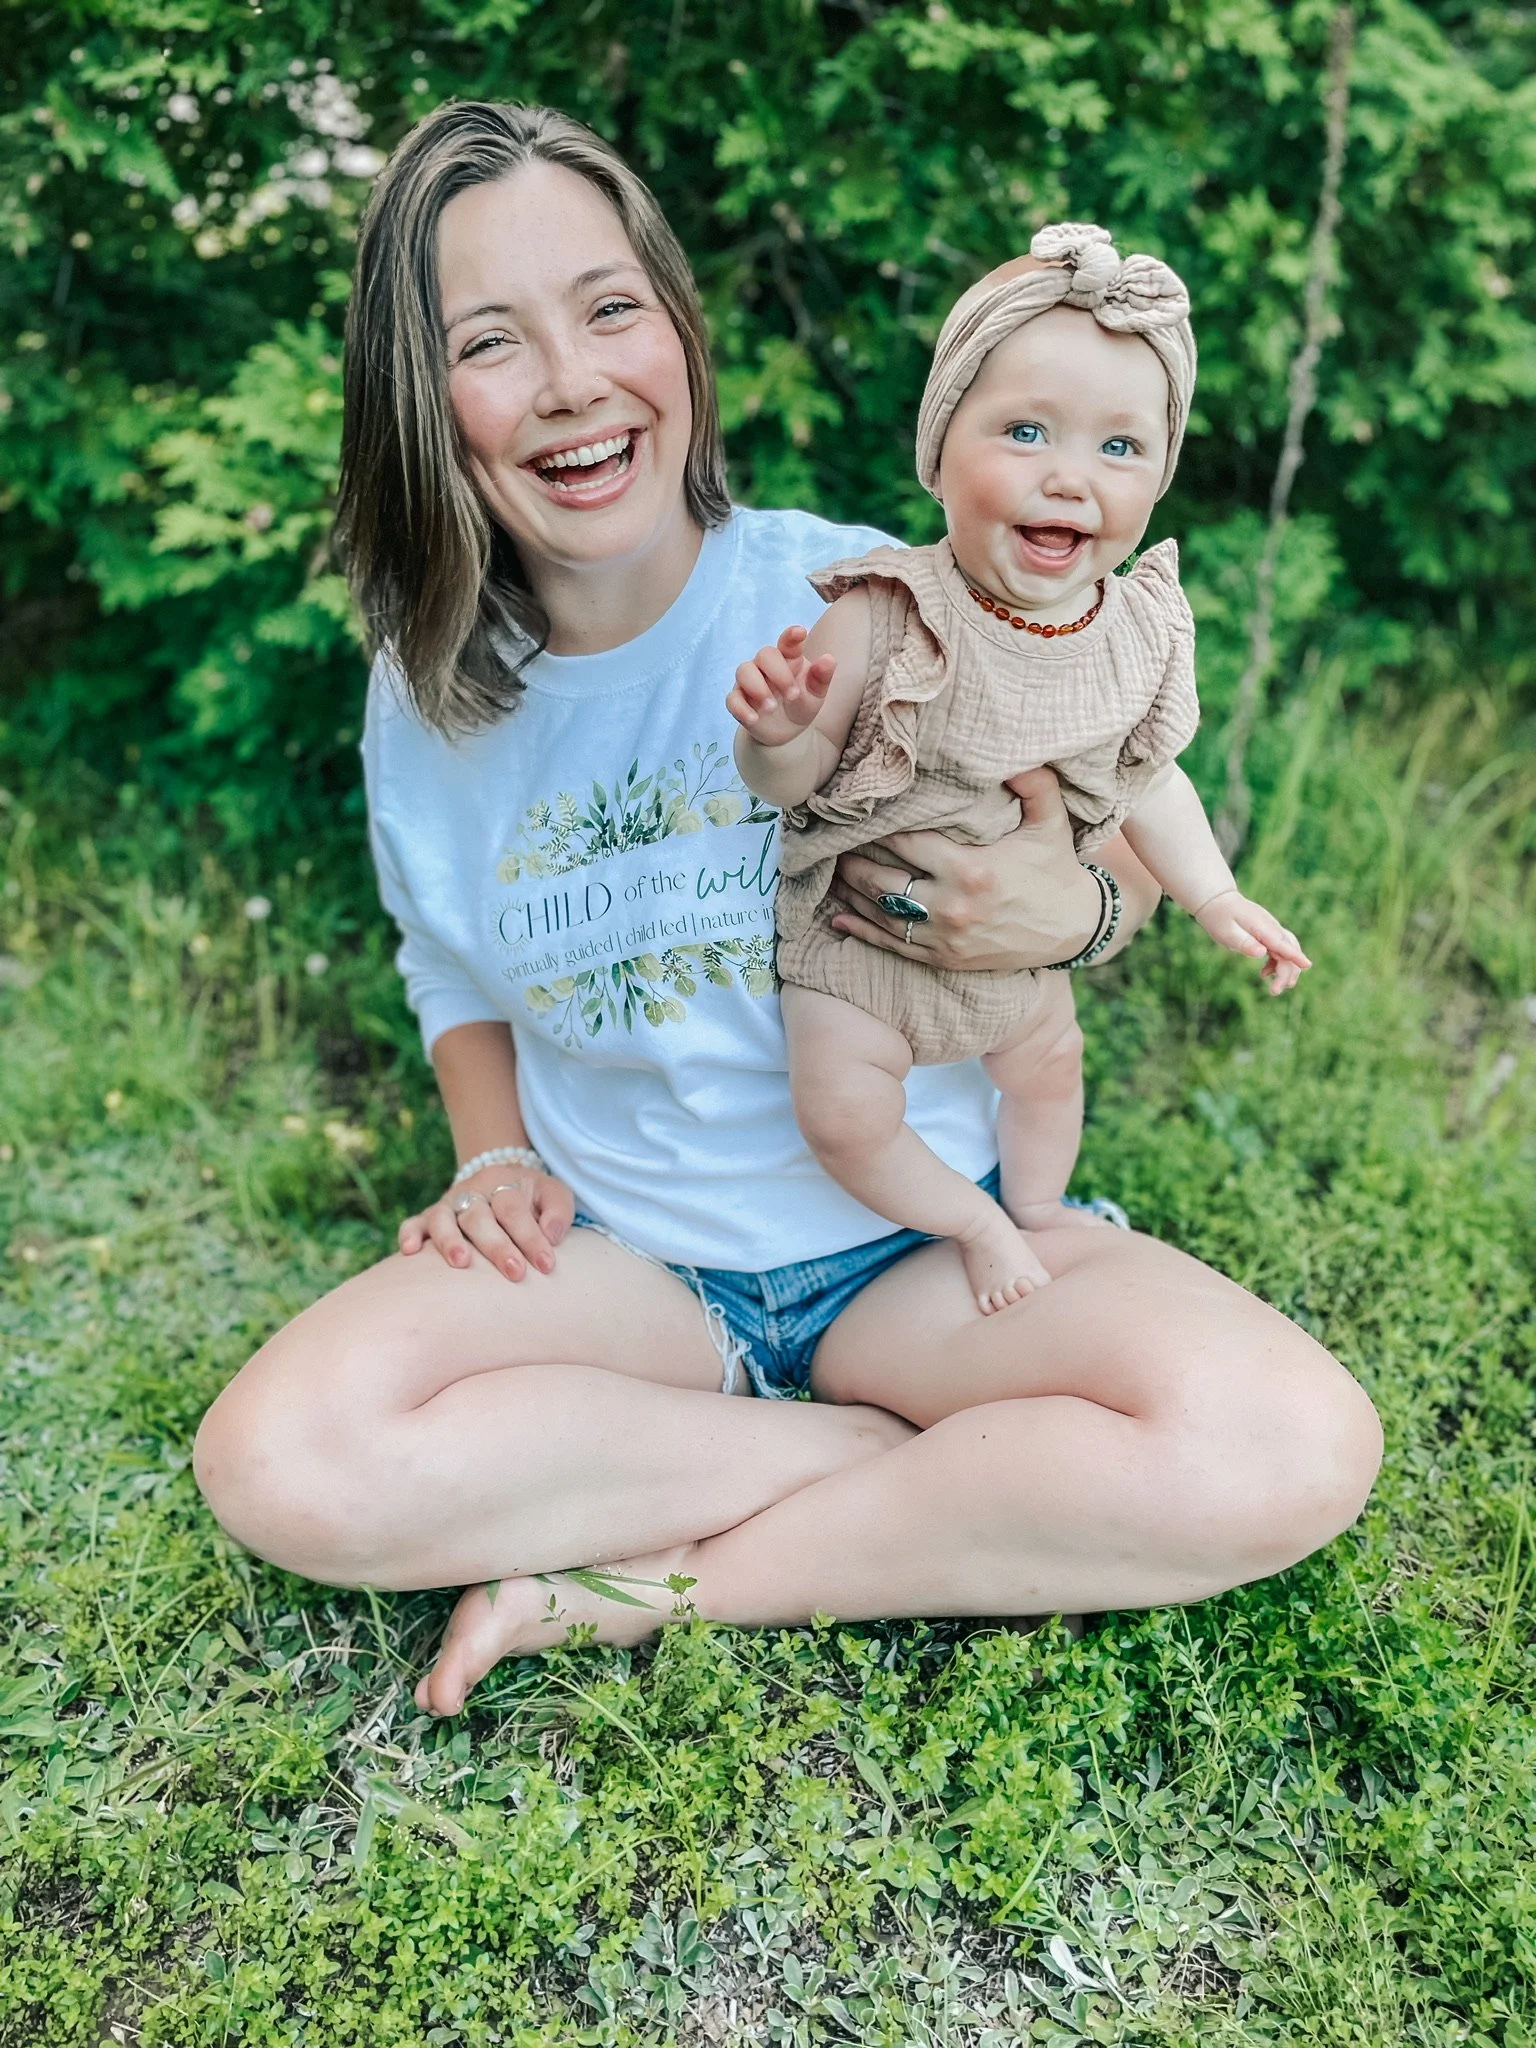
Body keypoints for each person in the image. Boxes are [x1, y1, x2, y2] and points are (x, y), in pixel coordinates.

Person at [191, 101, 1382, 1720]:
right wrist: (492, 1151)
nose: (571, 382)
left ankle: (664, 1573)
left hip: (924, 1244)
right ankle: (890, 1469)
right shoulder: (428, 698)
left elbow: (1099, 845)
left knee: (1290, 1442)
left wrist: (1069, 908)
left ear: (678, 331)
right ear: (427, 400)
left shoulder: (876, 596)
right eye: (492, 340)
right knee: (283, 1458)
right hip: (636, 1275)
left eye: (610, 307)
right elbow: (445, 952)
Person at [727, 224, 1310, 1316]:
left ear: (1159, 480)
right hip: (861, 950)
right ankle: (968, 1218)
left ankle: (1042, 1211)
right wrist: (778, 730)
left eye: (1120, 449)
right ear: (941, 451)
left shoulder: (1132, 633)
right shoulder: (887, 611)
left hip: (1020, 966)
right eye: (1027, 431)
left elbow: (1149, 782)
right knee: (844, 1109)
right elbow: (796, 780)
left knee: (1052, 1069)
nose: (1070, 478)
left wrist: (1215, 893)